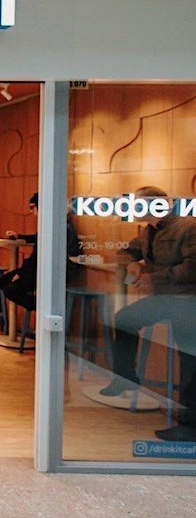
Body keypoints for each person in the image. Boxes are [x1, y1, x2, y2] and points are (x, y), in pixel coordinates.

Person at [94, 187, 196, 442]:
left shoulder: (188, 227)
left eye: (137, 205)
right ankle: (126, 378)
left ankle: (191, 423)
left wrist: (154, 278)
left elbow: (193, 267)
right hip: (164, 299)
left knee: (189, 357)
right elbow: (125, 251)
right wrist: (130, 262)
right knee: (125, 320)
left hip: (187, 301)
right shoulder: (148, 231)